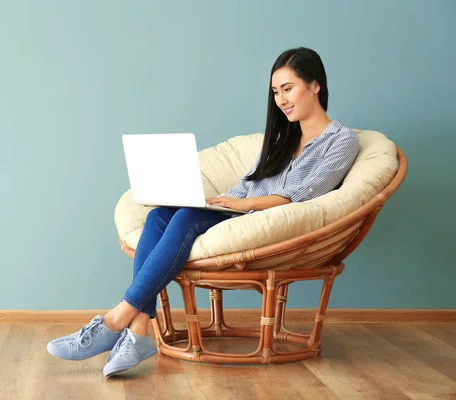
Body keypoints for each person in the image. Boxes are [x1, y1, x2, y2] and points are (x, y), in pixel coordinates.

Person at [46, 46, 360, 377]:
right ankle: (138, 330)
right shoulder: (280, 138)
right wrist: (218, 199)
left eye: (288, 88)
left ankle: (116, 320)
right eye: (275, 92)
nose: (281, 100)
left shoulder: (342, 141)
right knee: (160, 214)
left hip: (266, 223)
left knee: (183, 218)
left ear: (315, 85)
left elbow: (305, 195)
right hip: (239, 212)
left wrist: (244, 204)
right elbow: (247, 184)